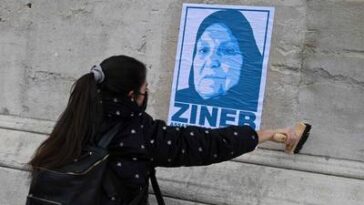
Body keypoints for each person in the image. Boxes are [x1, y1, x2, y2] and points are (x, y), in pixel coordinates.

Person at [26, 55, 297, 204]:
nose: (148, 94)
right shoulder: (137, 134)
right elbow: (203, 144)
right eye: (145, 90)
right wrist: (264, 134)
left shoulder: (74, 120)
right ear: (131, 95)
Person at [176, 9, 263, 111]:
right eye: (203, 50)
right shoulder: (179, 99)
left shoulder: (260, 106)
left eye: (228, 51)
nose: (211, 61)